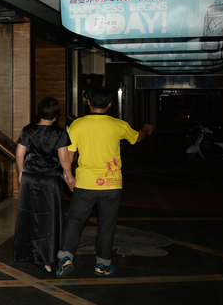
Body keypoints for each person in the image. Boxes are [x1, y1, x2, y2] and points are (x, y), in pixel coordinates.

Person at [56, 85, 152, 278]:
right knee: (107, 225)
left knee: (75, 221)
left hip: (84, 184)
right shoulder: (118, 125)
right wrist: (145, 129)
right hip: (111, 184)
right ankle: (102, 265)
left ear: (88, 102)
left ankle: (65, 259)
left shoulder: (77, 125)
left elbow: (68, 156)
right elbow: (136, 138)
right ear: (109, 104)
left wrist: (69, 178)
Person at [14, 97, 75, 273]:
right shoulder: (59, 133)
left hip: (30, 179)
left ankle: (30, 254)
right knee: (49, 219)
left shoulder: (28, 129)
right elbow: (64, 159)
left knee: (30, 216)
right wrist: (69, 177)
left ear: (39, 111)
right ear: (55, 116)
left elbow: (19, 155)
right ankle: (46, 258)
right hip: (50, 180)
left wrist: (21, 171)